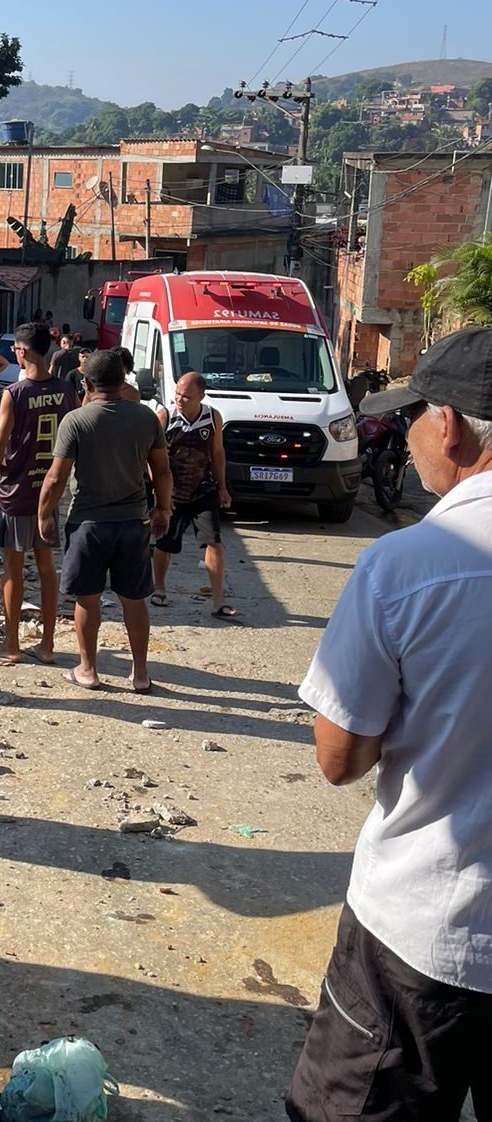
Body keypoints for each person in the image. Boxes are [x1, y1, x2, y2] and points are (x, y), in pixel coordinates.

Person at [286, 327, 492, 1122]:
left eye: (412, 418)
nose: (403, 438)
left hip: (426, 933)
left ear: (453, 426)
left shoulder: (408, 565)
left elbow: (340, 757)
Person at [38, 351, 172, 692]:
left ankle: (88, 669)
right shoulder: (146, 419)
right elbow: (162, 470)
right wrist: (163, 509)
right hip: (133, 521)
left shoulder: (77, 421)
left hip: (88, 524)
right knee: (134, 599)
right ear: (124, 380)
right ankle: (140, 674)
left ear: (86, 383)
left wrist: (44, 514)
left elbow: (55, 478)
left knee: (87, 598)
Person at [0, 322, 80, 664]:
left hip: (17, 491)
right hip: (51, 490)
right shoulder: (68, 391)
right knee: (46, 567)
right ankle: (48, 645)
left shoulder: (14, 393)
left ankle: (11, 645)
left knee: (13, 568)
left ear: (23, 351)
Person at [150, 372, 236, 618]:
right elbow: (150, 457)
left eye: (186, 396)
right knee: (165, 542)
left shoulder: (212, 418)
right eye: (177, 394)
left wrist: (222, 488)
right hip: (172, 493)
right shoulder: (165, 417)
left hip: (202, 489)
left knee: (214, 541)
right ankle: (159, 588)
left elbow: (217, 454)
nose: (180, 399)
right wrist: (160, 494)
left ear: (201, 396)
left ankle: (218, 601)